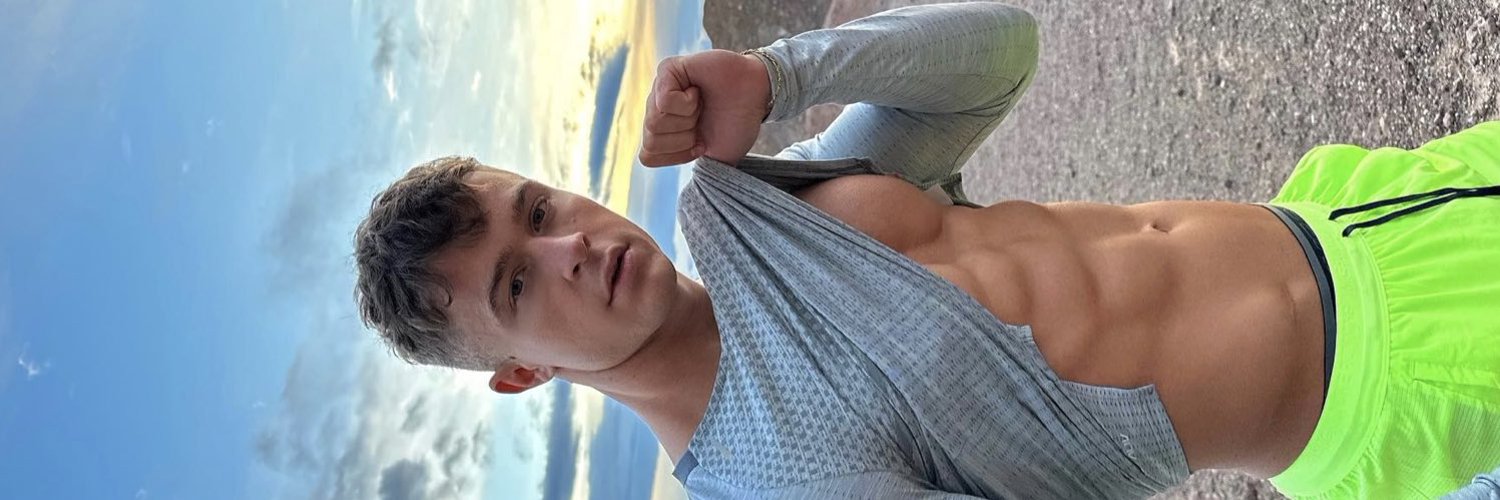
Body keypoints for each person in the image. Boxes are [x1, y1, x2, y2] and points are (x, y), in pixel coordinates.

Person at [353, 2, 1500, 498]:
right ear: (524, 371)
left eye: (539, 209)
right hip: (1390, 396)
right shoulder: (774, 473)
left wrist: (782, 76)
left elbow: (1000, 56)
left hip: (1362, 213)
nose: (569, 245)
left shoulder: (748, 213)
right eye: (517, 281)